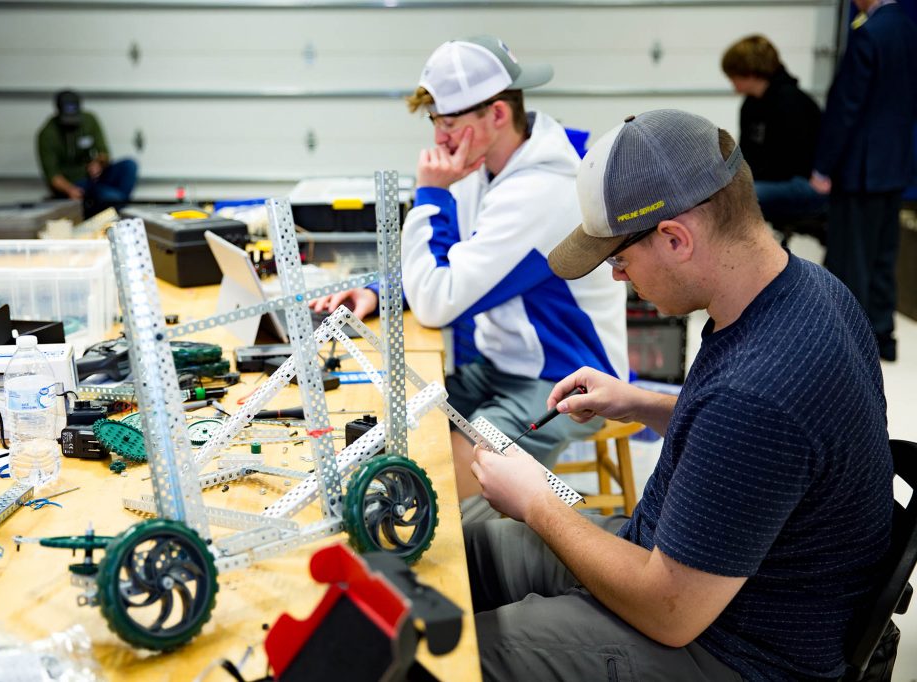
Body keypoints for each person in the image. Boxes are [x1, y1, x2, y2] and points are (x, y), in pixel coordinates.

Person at [466, 109, 894, 681]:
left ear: (675, 238)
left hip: (731, 649)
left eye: (619, 258)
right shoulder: (808, 291)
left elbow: (669, 614)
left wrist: (537, 501)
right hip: (692, 573)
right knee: (473, 551)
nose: (618, 277)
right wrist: (640, 402)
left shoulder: (758, 391)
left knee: (463, 656)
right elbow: (755, 456)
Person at [312, 36, 628, 505]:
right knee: (392, 423)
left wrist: (430, 193)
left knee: (435, 490)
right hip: (501, 365)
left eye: (449, 122)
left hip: (563, 381)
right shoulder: (489, 168)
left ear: (497, 114)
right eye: (434, 121)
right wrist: (384, 290)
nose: (438, 138)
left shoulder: (542, 189)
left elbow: (438, 303)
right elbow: (450, 257)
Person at [810, 0, 917, 362]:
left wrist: (824, 166)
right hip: (894, 161)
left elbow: (846, 107)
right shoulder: (905, 27)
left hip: (860, 166)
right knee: (883, 254)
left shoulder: (868, 33)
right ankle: (883, 335)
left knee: (850, 256)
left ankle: (850, 341)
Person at [721, 35, 827, 226]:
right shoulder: (750, 105)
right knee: (720, 189)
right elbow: (747, 154)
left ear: (749, 72)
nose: (731, 83)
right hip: (769, 179)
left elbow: (796, 163)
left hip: (800, 182)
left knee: (737, 195)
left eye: (732, 75)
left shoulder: (793, 103)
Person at [37, 90, 138, 217]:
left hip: (94, 178)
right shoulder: (47, 134)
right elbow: (52, 176)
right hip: (75, 184)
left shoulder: (89, 120)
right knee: (111, 197)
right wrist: (70, 190)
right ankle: (118, 208)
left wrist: (98, 163)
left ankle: (118, 208)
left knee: (130, 165)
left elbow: (104, 153)